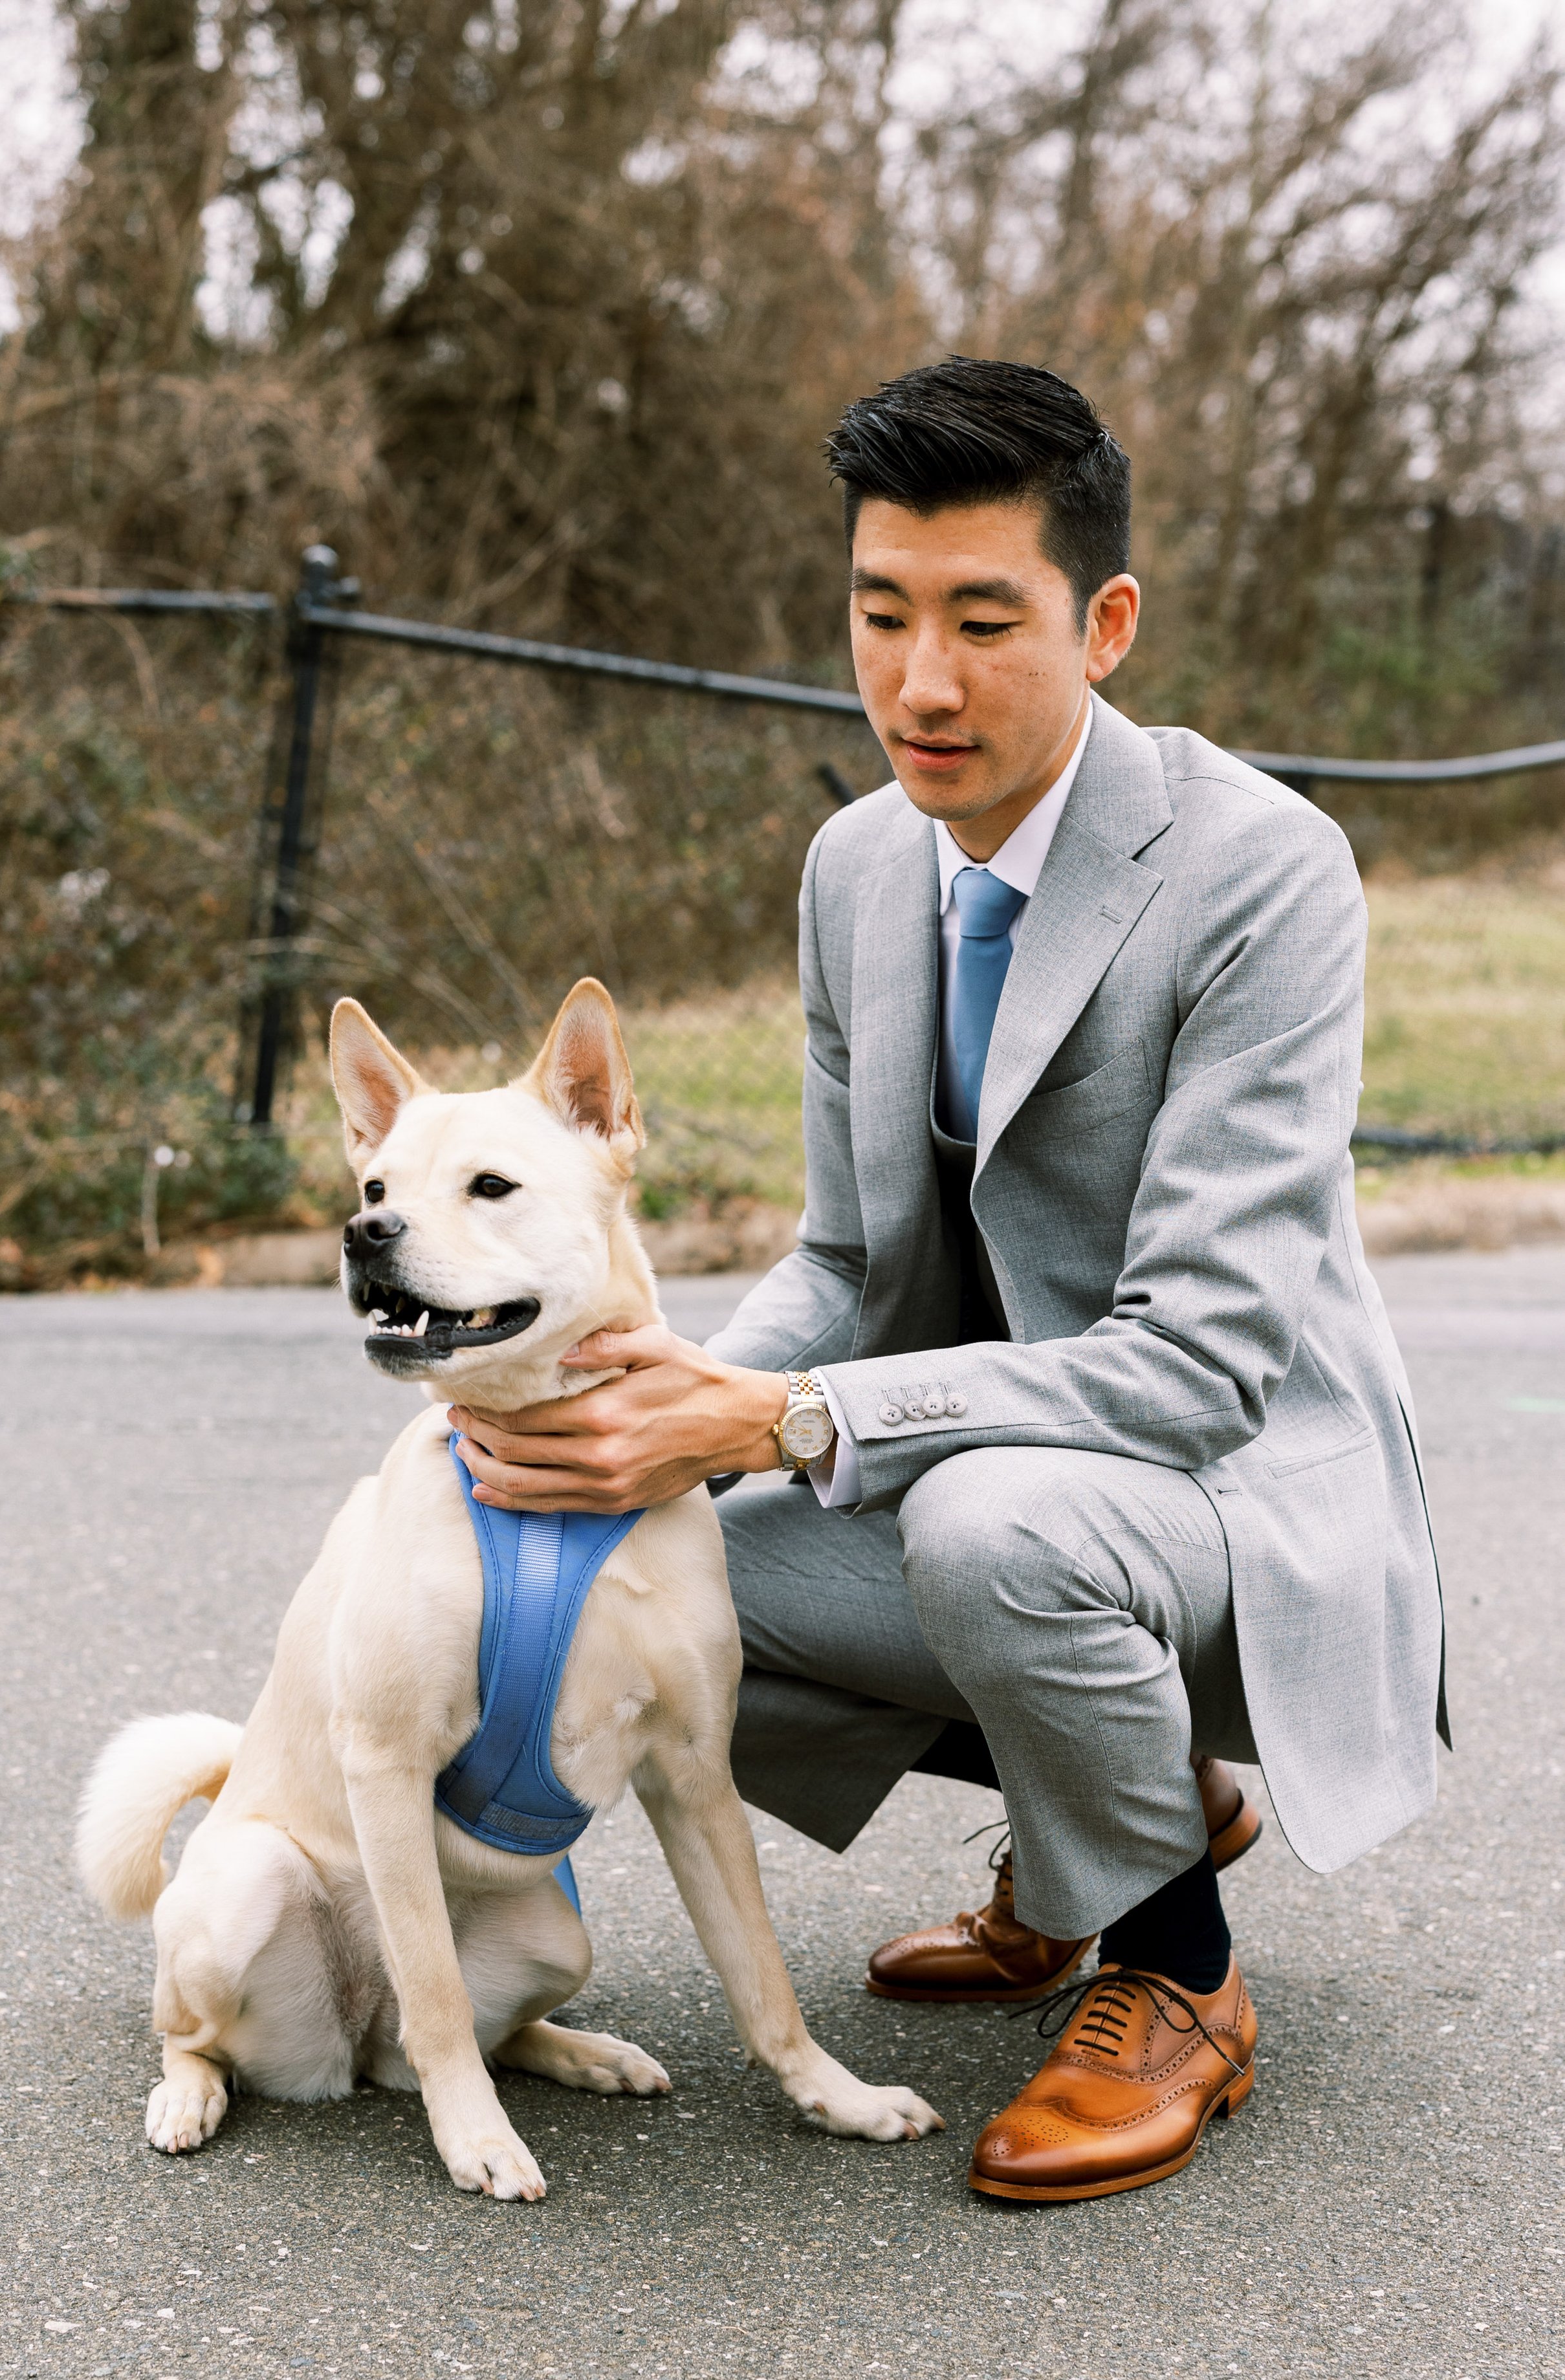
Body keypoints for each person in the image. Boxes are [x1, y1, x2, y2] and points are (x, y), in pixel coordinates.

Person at [448, 355, 1445, 2204]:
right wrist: (656, 1408)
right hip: (1007, 1473)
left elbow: (1201, 1363)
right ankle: (1130, 1818)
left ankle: (1177, 1973)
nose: (920, 681)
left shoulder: (1261, 874)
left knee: (992, 1529)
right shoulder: (856, 867)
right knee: (660, 1564)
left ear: (1106, 623)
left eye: (986, 621)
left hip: (1233, 1499)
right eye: (880, 613)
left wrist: (792, 1418)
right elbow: (845, 1256)